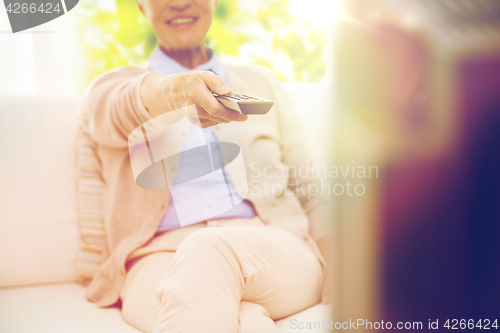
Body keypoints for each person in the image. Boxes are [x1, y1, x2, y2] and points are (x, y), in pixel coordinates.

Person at [83, 0, 333, 332]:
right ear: (141, 7)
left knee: (207, 251)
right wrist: (177, 90)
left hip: (273, 247)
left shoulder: (263, 85)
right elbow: (119, 109)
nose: (180, 2)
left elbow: (308, 191)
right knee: (241, 320)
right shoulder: (112, 88)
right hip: (158, 258)